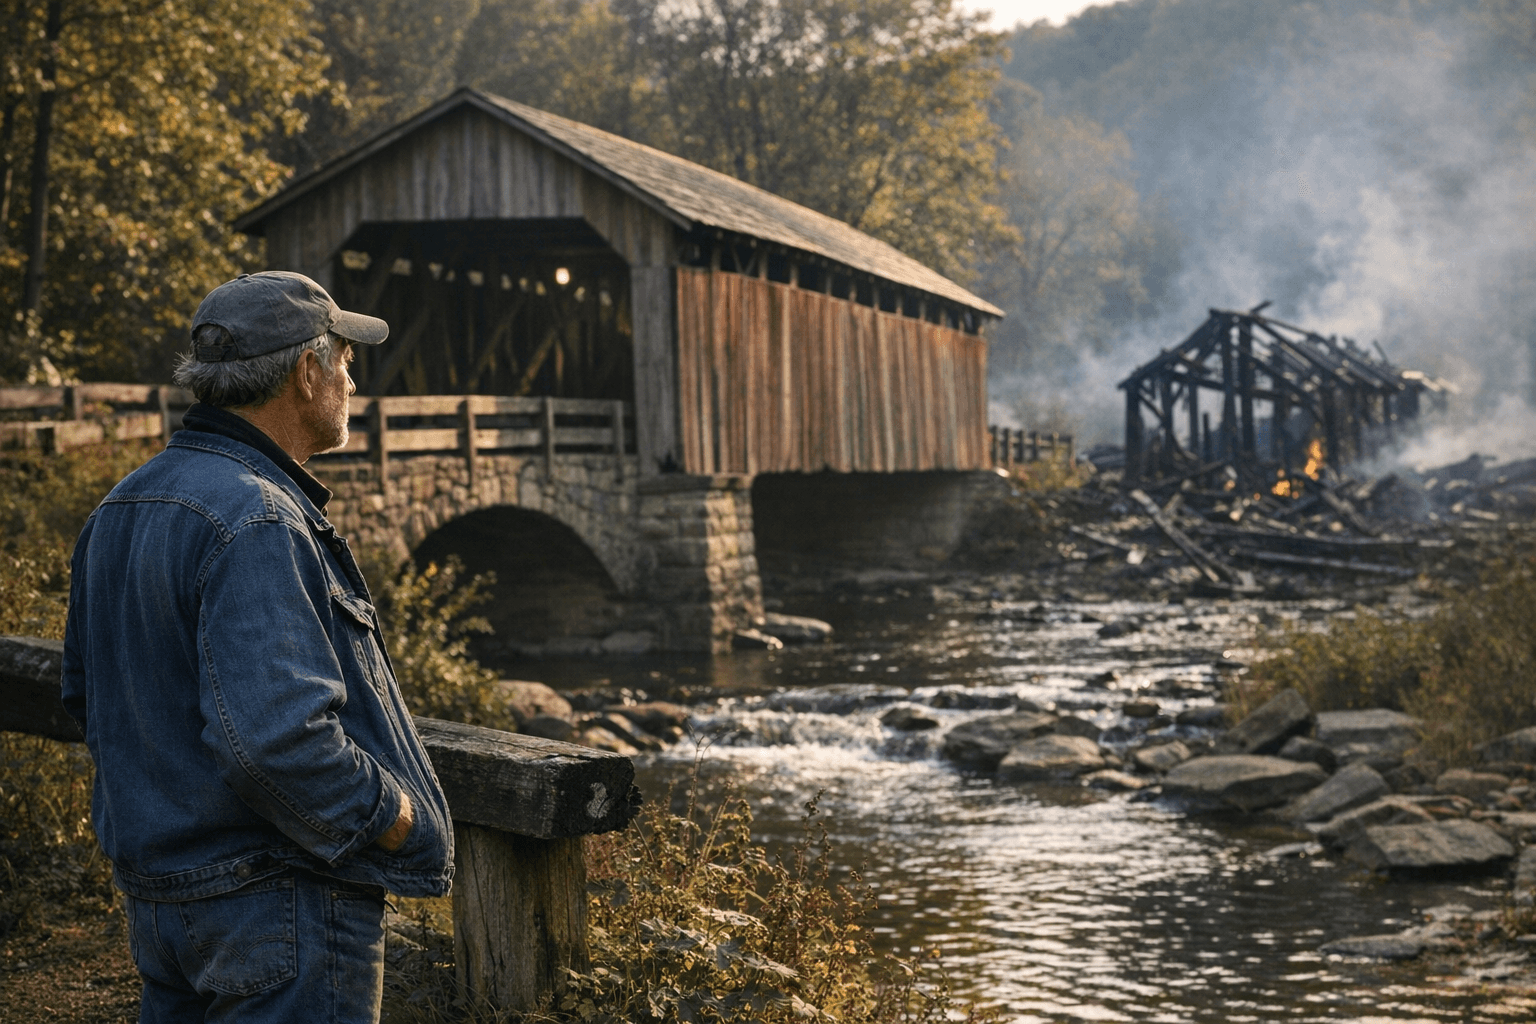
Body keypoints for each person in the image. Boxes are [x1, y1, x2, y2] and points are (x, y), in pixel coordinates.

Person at [61, 271, 454, 1024]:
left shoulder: (120, 505)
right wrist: (396, 815)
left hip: (162, 904)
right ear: (307, 373)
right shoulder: (260, 518)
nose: (350, 375)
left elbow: (88, 698)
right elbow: (277, 744)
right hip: (276, 907)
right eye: (343, 357)